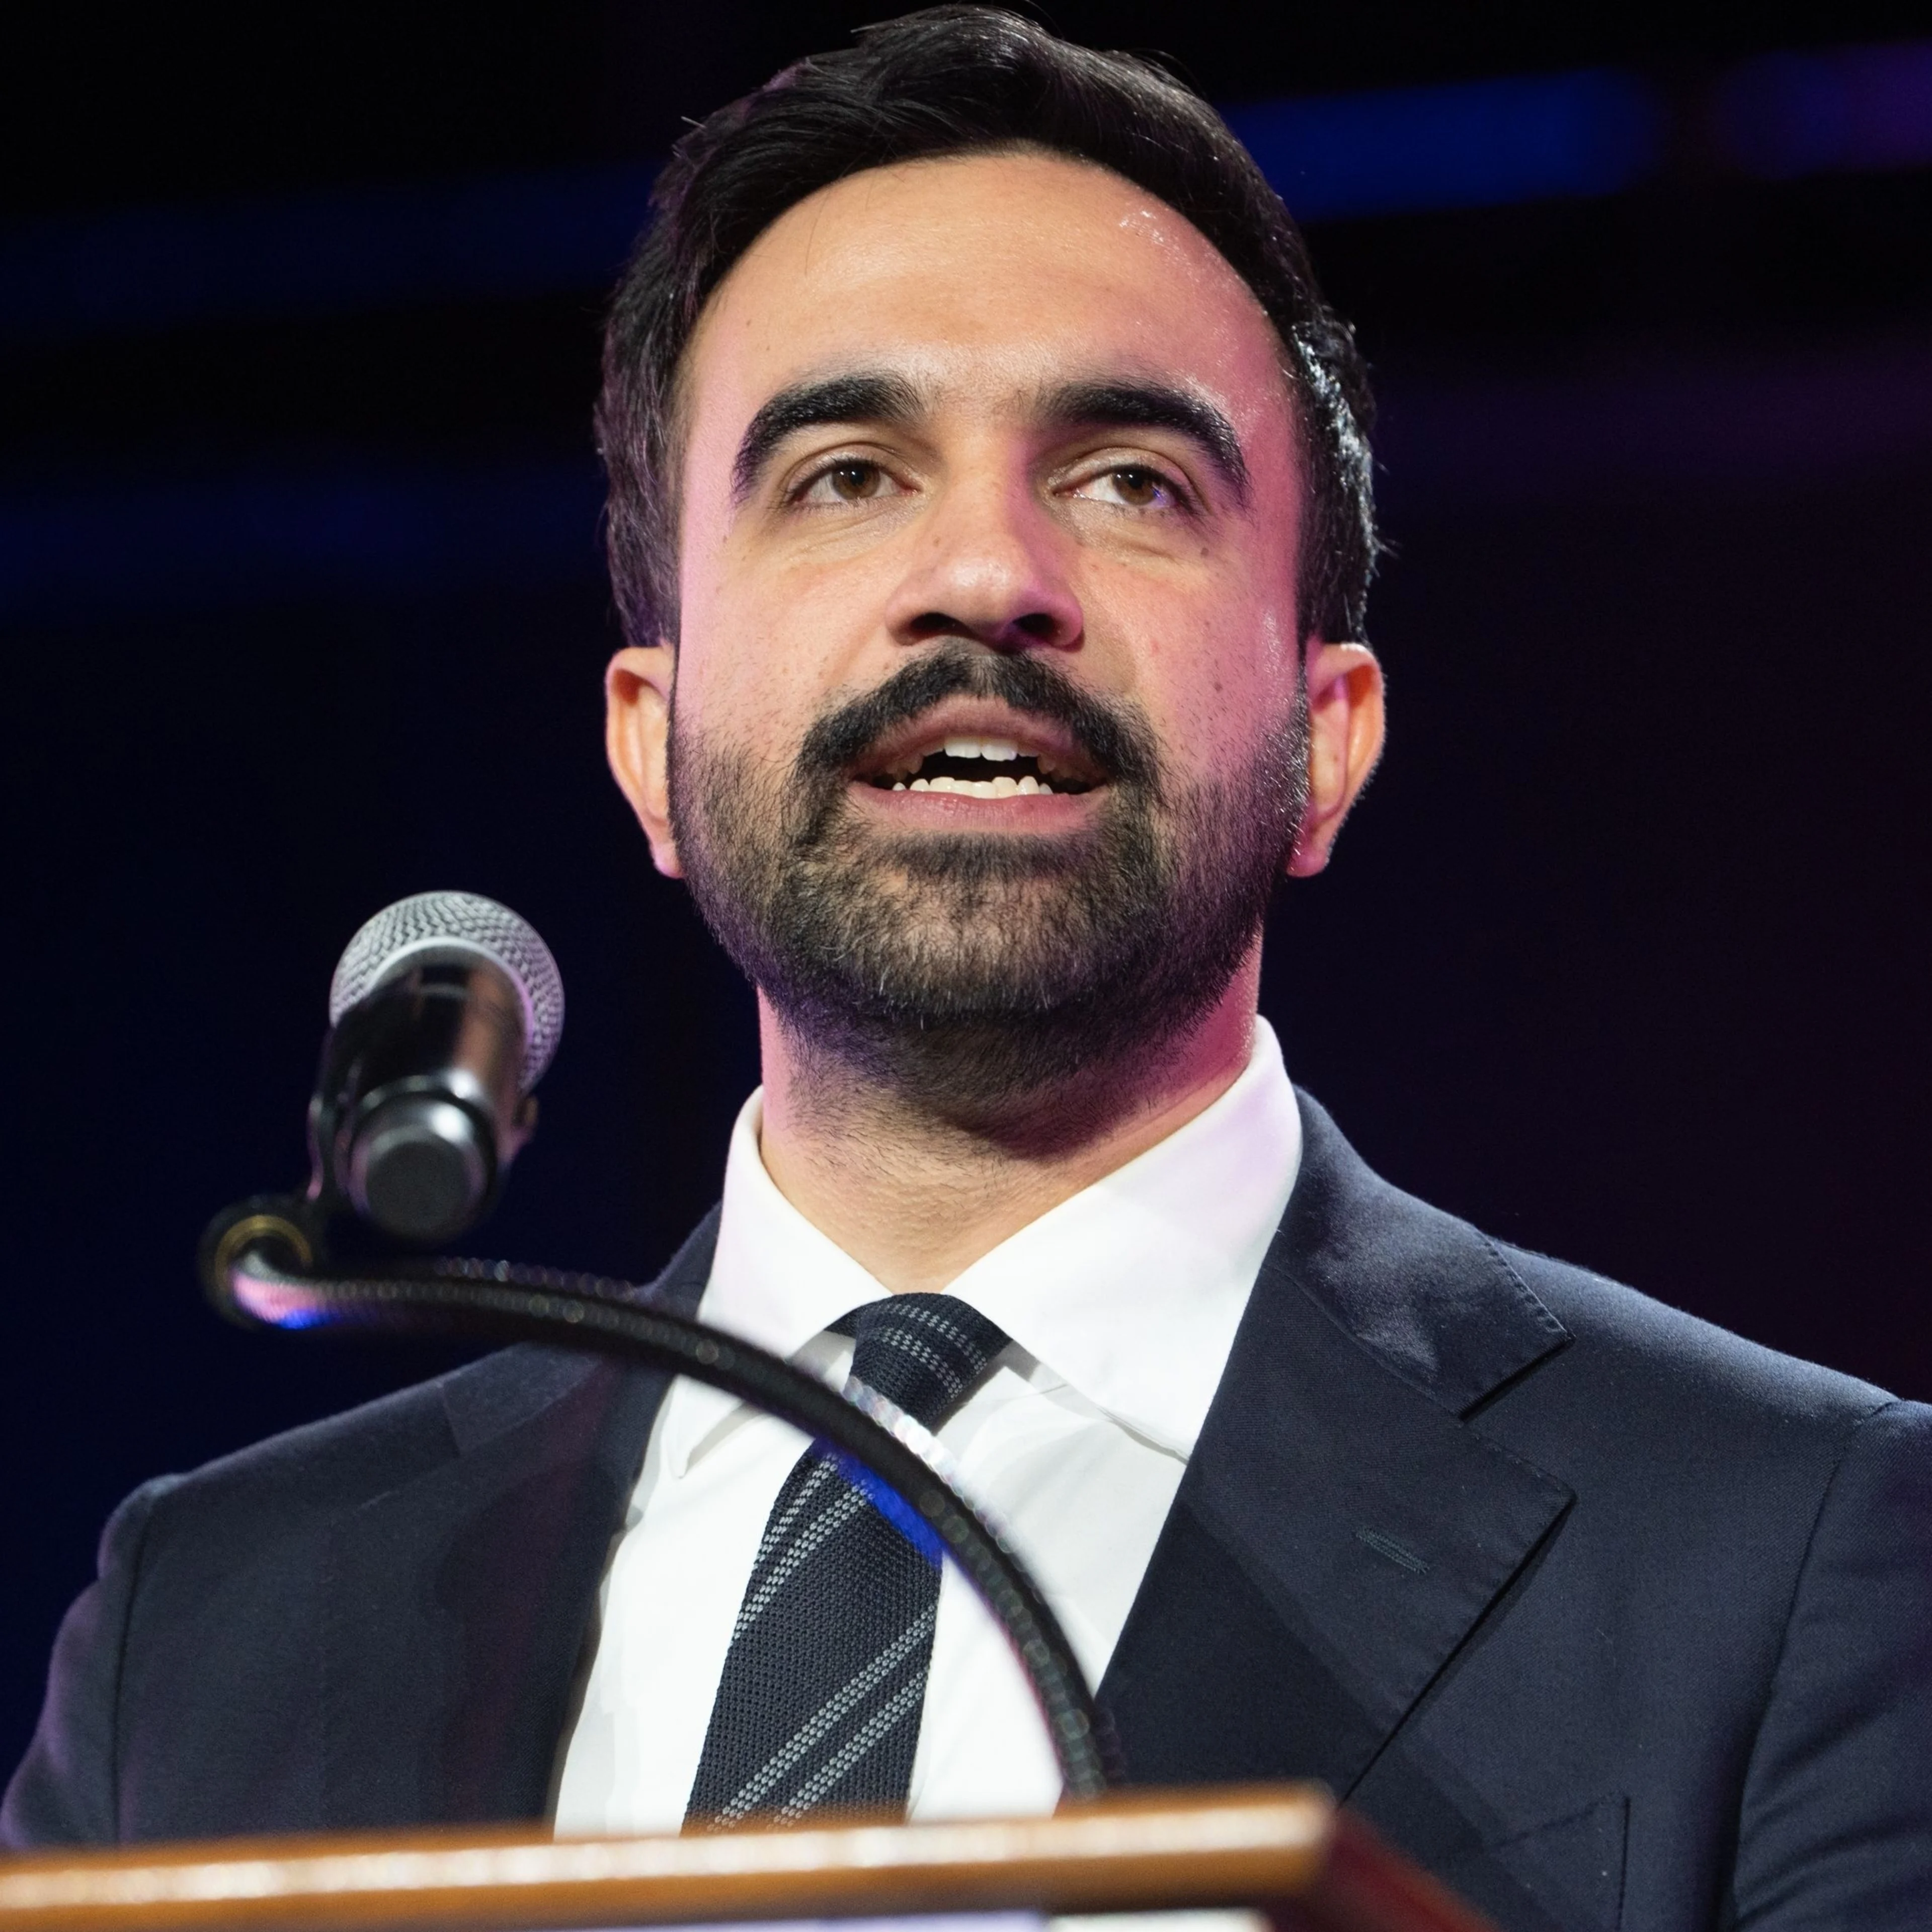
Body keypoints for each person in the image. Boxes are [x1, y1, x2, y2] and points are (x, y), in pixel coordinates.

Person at [7, 10, 1930, 1927]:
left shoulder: (1792, 1561)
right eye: (845, 474)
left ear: (1325, 741)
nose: (989, 571)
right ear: (648, 745)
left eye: (1129, 481)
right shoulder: (217, 1620)